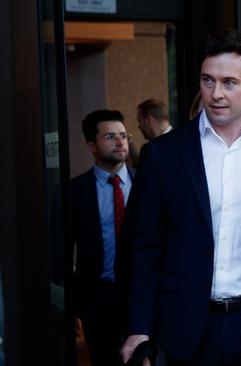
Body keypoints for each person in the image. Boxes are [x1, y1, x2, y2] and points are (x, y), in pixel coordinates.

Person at [120, 30, 241, 365]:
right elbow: (143, 246)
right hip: (183, 323)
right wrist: (138, 327)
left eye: (229, 82)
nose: (215, 94)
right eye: (207, 80)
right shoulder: (164, 154)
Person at [70, 109, 135, 366]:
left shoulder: (147, 183)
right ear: (91, 145)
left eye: (123, 135)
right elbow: (63, 250)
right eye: (110, 137)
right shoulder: (74, 191)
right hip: (98, 298)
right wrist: (71, 305)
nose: (120, 142)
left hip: (141, 294)